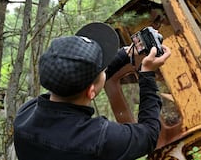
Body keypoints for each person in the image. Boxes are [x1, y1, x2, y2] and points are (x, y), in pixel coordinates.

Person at [13, 22, 171, 160]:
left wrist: (125, 53)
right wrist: (147, 74)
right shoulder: (99, 140)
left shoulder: (24, 117)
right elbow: (149, 135)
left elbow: (80, 82)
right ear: (91, 92)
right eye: (103, 70)